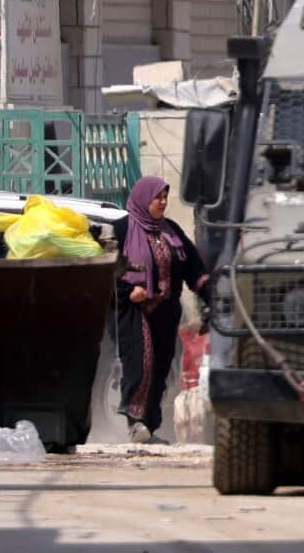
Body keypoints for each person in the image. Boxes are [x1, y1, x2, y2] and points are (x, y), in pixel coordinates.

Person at [115, 176, 208, 444]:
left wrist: (211, 295)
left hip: (166, 313)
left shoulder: (171, 231)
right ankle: (135, 423)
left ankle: (150, 428)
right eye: (158, 197)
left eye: (166, 197)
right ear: (145, 198)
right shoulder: (123, 230)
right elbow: (107, 271)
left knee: (159, 370)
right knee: (140, 365)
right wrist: (128, 292)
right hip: (134, 311)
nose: (164, 202)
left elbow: (194, 268)